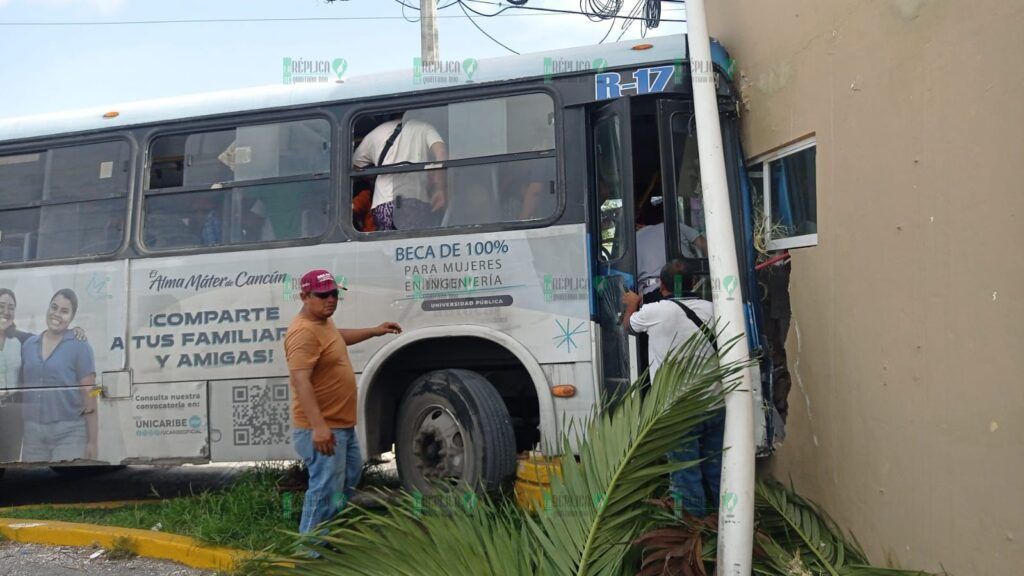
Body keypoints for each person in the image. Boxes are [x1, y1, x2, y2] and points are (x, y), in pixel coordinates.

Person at [285, 269, 401, 535]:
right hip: (323, 428)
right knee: (325, 488)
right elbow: (300, 382)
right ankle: (309, 553)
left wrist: (374, 331)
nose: (331, 299)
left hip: (341, 426)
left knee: (348, 478)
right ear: (304, 296)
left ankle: (328, 536)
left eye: (334, 294)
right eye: (323, 295)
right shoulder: (302, 333)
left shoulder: (322, 324)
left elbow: (337, 337)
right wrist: (319, 427)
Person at [621, 259, 722, 517]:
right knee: (716, 468)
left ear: (661, 285)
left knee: (685, 473)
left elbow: (628, 326)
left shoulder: (654, 311)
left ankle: (692, 535)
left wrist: (633, 303)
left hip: (678, 411)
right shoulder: (714, 309)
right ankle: (722, 525)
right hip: (715, 405)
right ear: (694, 283)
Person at [20, 289, 98, 463]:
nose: (56, 314)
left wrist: (93, 441)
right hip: (33, 434)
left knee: (65, 487)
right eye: (53, 307)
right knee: (33, 486)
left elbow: (91, 393)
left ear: (71, 317)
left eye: (64, 311)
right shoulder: (28, 345)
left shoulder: (80, 346)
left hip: (69, 432)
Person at [352, 115, 448, 231]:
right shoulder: (424, 127)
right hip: (414, 201)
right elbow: (441, 152)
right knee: (412, 244)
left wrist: (374, 176)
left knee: (388, 244)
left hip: (383, 204)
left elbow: (356, 165)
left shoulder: (376, 133)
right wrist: (439, 189)